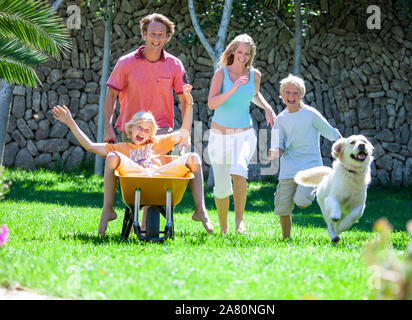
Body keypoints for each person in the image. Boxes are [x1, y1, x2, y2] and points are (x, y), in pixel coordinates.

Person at [52, 85, 213, 236]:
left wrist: (189, 104)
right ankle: (107, 209)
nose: (142, 132)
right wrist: (71, 123)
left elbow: (184, 132)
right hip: (136, 181)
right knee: (111, 156)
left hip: (159, 180)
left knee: (194, 157)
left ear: (151, 134)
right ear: (131, 128)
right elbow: (90, 146)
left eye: (147, 130)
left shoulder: (157, 143)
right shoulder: (124, 148)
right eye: (139, 127)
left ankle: (200, 210)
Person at [207, 34, 276, 234]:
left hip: (244, 133)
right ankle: (224, 228)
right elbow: (212, 103)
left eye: (247, 53)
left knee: (239, 170)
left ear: (250, 55)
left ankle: (239, 222)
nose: (243, 56)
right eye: (239, 52)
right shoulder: (221, 73)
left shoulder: (255, 75)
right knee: (221, 187)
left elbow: (253, 94)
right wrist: (234, 88)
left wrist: (267, 107)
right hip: (219, 136)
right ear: (232, 51)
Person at [268, 74, 342, 239]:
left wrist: (343, 144)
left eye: (295, 93)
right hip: (288, 168)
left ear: (301, 95)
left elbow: (330, 132)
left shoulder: (311, 114)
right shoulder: (280, 119)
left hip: (310, 167)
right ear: (282, 94)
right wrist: (275, 152)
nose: (291, 96)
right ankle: (285, 238)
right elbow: (277, 144)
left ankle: (314, 189)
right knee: (282, 207)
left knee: (302, 202)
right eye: (287, 92)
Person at [104, 13, 191, 149]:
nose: (156, 38)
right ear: (144, 34)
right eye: (152, 34)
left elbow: (185, 100)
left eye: (161, 34)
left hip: (161, 132)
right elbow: (111, 95)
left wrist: (186, 133)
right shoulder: (125, 63)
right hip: (131, 130)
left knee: (159, 171)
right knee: (131, 171)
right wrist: (108, 127)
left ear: (167, 37)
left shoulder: (175, 65)